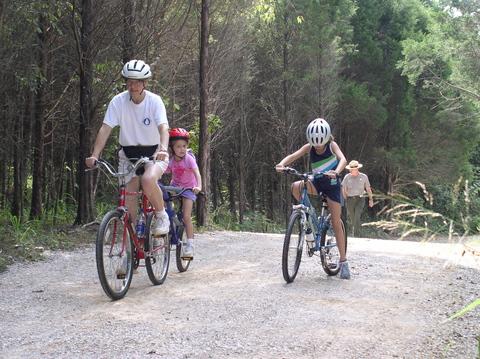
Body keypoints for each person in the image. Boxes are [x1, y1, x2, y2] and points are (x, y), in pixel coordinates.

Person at [85, 59, 170, 236]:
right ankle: (131, 248)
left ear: (145, 83)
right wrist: (94, 155)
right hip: (128, 154)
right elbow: (105, 128)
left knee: (147, 180)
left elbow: (163, 128)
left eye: (138, 82)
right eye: (130, 82)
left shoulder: (155, 101)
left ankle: (162, 215)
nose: (133, 86)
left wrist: (163, 149)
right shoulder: (118, 101)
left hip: (154, 152)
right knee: (129, 202)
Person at [275, 118, 350, 279]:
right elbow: (293, 155)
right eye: (315, 143)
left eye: (320, 143)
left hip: (332, 185)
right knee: (296, 186)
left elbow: (343, 159)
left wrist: (336, 171)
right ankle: (308, 219)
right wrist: (281, 164)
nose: (317, 146)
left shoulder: (332, 145)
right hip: (316, 182)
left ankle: (343, 262)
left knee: (336, 222)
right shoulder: (309, 147)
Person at [164, 128, 202, 259]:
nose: (182, 149)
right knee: (163, 198)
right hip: (175, 187)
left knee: (186, 216)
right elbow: (165, 170)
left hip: (189, 189)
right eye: (178, 146)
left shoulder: (189, 159)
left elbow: (197, 172)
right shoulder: (172, 160)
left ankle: (190, 244)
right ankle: (169, 221)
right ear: (172, 148)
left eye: (184, 146)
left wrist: (199, 186)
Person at [342, 160, 373, 237]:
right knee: (353, 218)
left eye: (354, 169)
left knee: (357, 216)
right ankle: (356, 231)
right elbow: (343, 187)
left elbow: (368, 188)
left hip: (360, 198)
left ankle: (356, 235)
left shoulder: (364, 176)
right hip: (350, 199)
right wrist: (345, 197)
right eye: (351, 169)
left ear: (357, 168)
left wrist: (371, 199)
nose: (352, 170)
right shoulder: (347, 177)